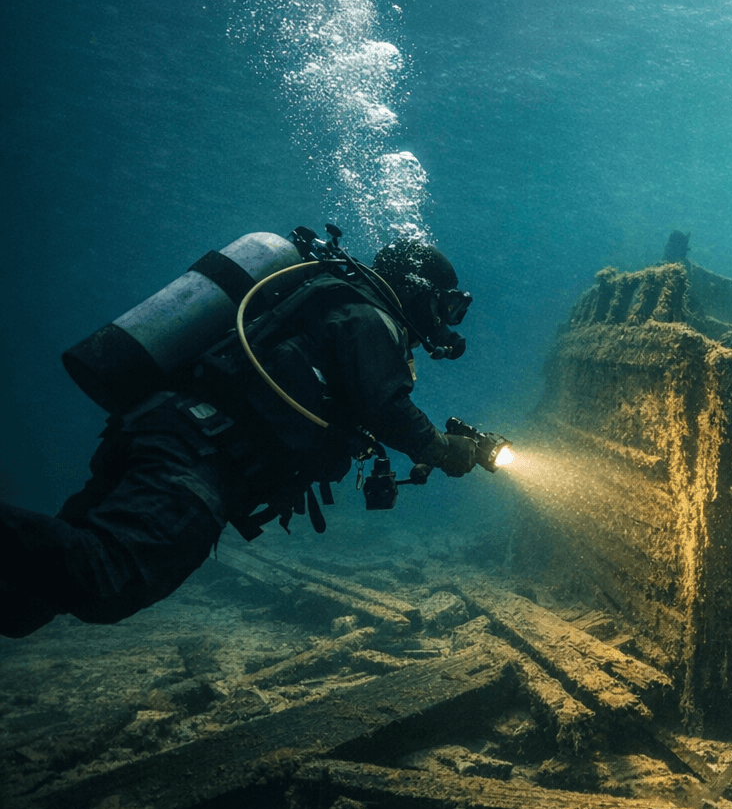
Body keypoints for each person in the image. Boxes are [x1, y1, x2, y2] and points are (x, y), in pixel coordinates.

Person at [0, 230, 485, 638]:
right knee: (108, 579)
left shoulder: (330, 301)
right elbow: (385, 407)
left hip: (168, 431)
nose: (446, 323)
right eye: (448, 307)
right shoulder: (369, 316)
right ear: (420, 292)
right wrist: (443, 449)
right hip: (200, 452)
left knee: (23, 603)